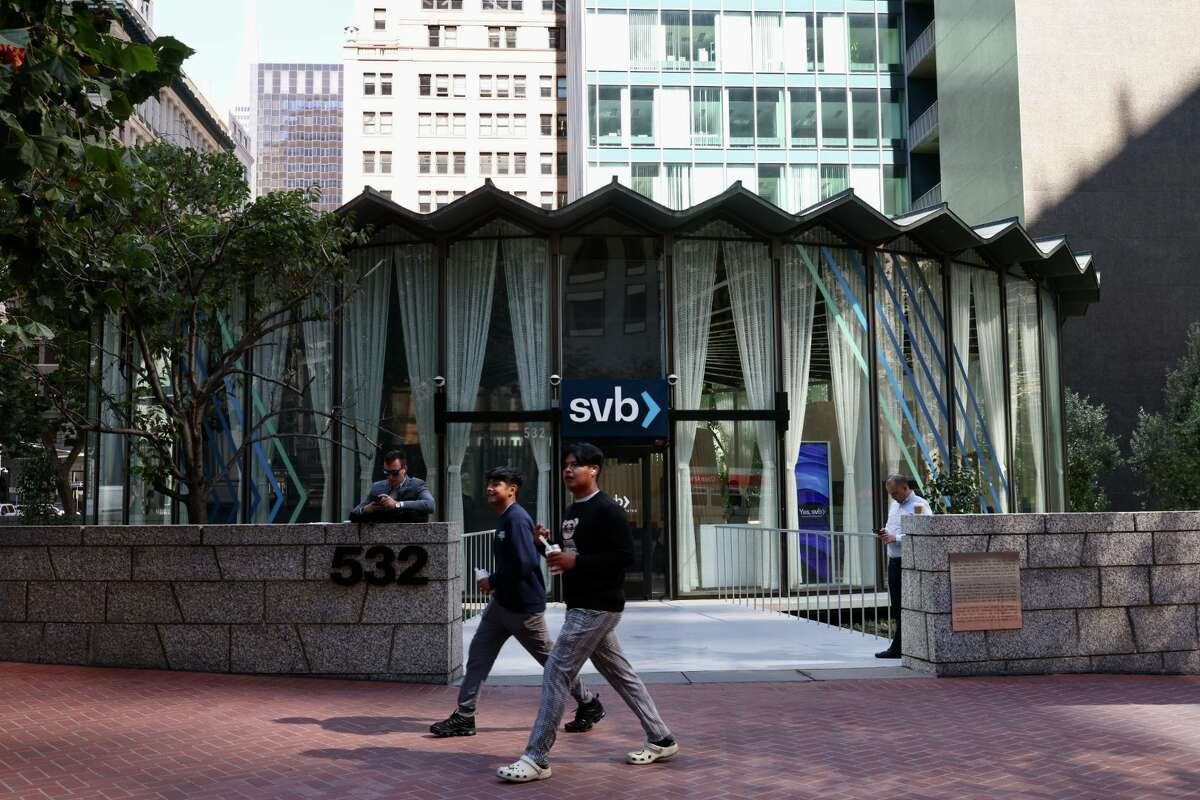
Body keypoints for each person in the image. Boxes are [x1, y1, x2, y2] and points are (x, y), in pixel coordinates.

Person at [497, 442, 676, 783]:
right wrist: (546, 545)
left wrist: (575, 561)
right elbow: (571, 554)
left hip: (597, 606)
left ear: (594, 470)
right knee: (622, 675)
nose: (568, 470)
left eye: (575, 465)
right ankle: (661, 737)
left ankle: (536, 758)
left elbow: (624, 557)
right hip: (581, 604)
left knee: (555, 672)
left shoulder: (607, 509)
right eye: (566, 464)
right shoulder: (571, 510)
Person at [429, 465, 602, 738]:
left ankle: (589, 703)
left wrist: (492, 582)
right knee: (478, 657)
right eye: (489, 482)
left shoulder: (516, 519)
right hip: (501, 606)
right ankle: (464, 716)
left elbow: (526, 562)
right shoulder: (505, 518)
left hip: (523, 608)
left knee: (554, 662)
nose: (490, 487)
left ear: (512, 490)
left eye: (497, 483)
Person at [875, 473, 930, 659]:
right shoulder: (894, 506)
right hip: (894, 561)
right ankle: (900, 646)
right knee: (897, 605)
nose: (893, 497)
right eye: (890, 494)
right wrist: (886, 534)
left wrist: (896, 538)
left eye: (895, 493)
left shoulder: (920, 505)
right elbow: (893, 527)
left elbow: (925, 533)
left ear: (906, 488)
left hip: (908, 562)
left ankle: (900, 647)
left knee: (905, 605)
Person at [349, 450, 435, 523]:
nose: (390, 477)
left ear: (404, 469)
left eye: (394, 473)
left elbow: (430, 505)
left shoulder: (417, 484)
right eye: (386, 473)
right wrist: (366, 509)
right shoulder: (377, 487)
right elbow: (355, 512)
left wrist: (397, 504)